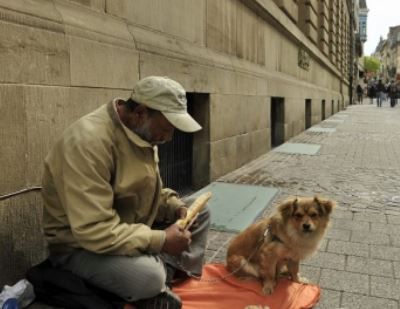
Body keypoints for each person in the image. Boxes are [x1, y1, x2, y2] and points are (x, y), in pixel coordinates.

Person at [41, 76, 211, 308]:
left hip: (127, 230)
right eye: (165, 129)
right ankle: (153, 280)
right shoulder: (87, 142)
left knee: (199, 214)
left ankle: (160, 276)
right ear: (141, 112)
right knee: (149, 278)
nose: (168, 138)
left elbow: (148, 190)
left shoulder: (141, 132)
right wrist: (161, 241)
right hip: (81, 248)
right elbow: (94, 230)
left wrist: (174, 206)